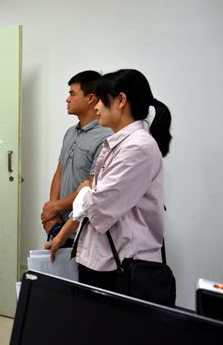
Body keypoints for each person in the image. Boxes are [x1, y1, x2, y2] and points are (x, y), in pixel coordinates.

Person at [69, 69, 172, 292]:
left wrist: (85, 190)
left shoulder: (138, 147)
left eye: (100, 100)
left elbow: (99, 207)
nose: (96, 107)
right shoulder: (120, 143)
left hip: (121, 265)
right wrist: (89, 191)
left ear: (121, 100)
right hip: (105, 259)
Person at [41, 71, 112, 254]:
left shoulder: (106, 136)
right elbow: (60, 172)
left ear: (90, 98)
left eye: (72, 94)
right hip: (59, 224)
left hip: (85, 230)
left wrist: (55, 206)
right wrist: (53, 213)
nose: (67, 99)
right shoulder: (70, 132)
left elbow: (93, 186)